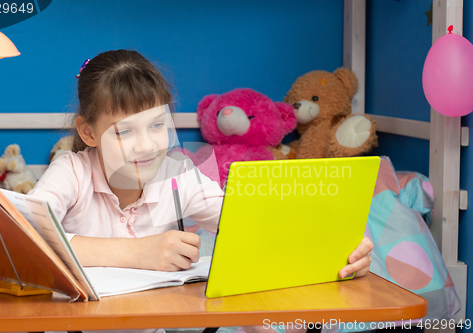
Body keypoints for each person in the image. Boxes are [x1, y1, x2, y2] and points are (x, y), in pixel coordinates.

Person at [28, 49, 373, 333]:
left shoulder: (178, 176)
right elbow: (24, 238)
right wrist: (138, 253)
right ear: (88, 133)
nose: (147, 146)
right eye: (124, 132)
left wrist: (338, 247)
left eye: (158, 125)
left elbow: (256, 222)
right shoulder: (71, 171)